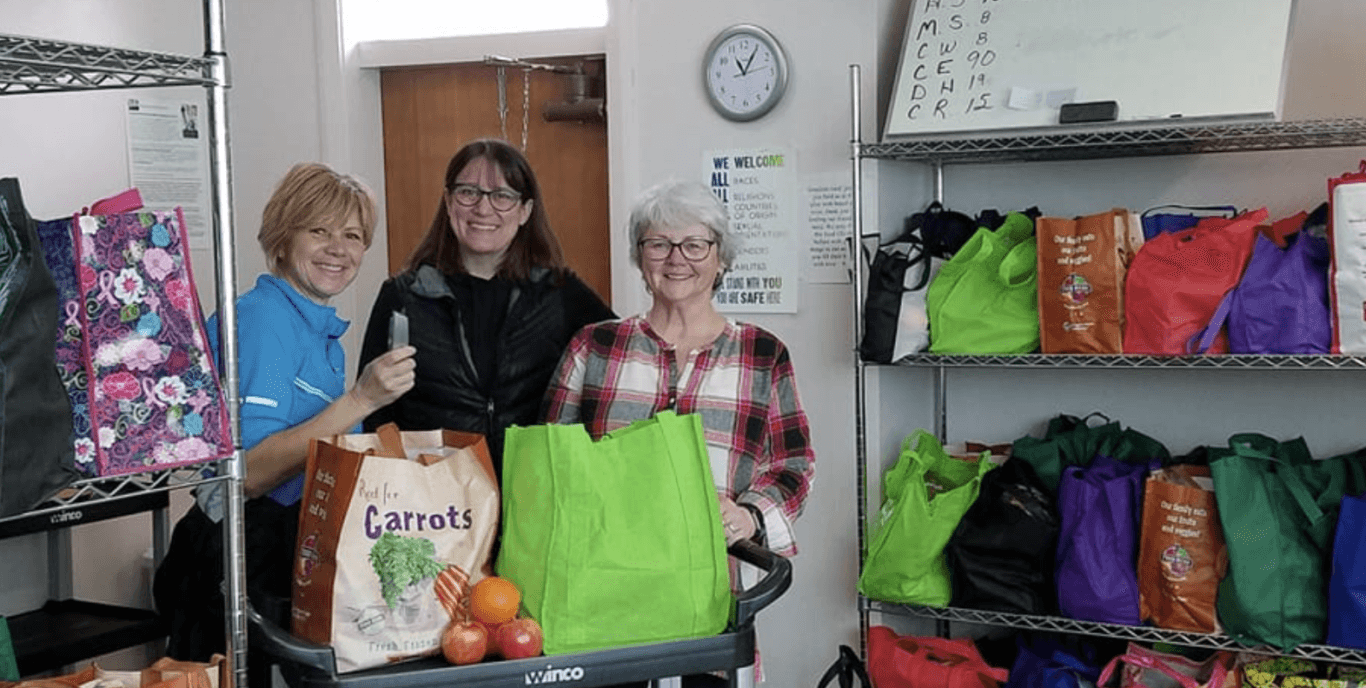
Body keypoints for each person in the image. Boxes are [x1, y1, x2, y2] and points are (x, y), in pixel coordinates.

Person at [542, 179, 815, 687]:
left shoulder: (762, 353)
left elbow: (793, 464)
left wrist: (750, 514)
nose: (676, 259)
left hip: (709, 594)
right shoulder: (595, 346)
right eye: (659, 244)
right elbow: (550, 459)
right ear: (639, 256)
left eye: (694, 245)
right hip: (602, 596)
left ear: (721, 257)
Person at [153, 163, 417, 677]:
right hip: (238, 554)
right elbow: (249, 473)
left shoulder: (316, 329)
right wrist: (361, 399)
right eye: (319, 230)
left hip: (285, 549)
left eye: (353, 236)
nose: (338, 249)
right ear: (282, 236)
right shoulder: (264, 320)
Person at [358, 138, 614, 475]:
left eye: (502, 196)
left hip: (534, 488)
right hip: (434, 492)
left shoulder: (560, 294)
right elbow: (375, 413)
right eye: (468, 192)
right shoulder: (403, 297)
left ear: (525, 211)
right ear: (448, 201)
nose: (483, 208)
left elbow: (623, 362)